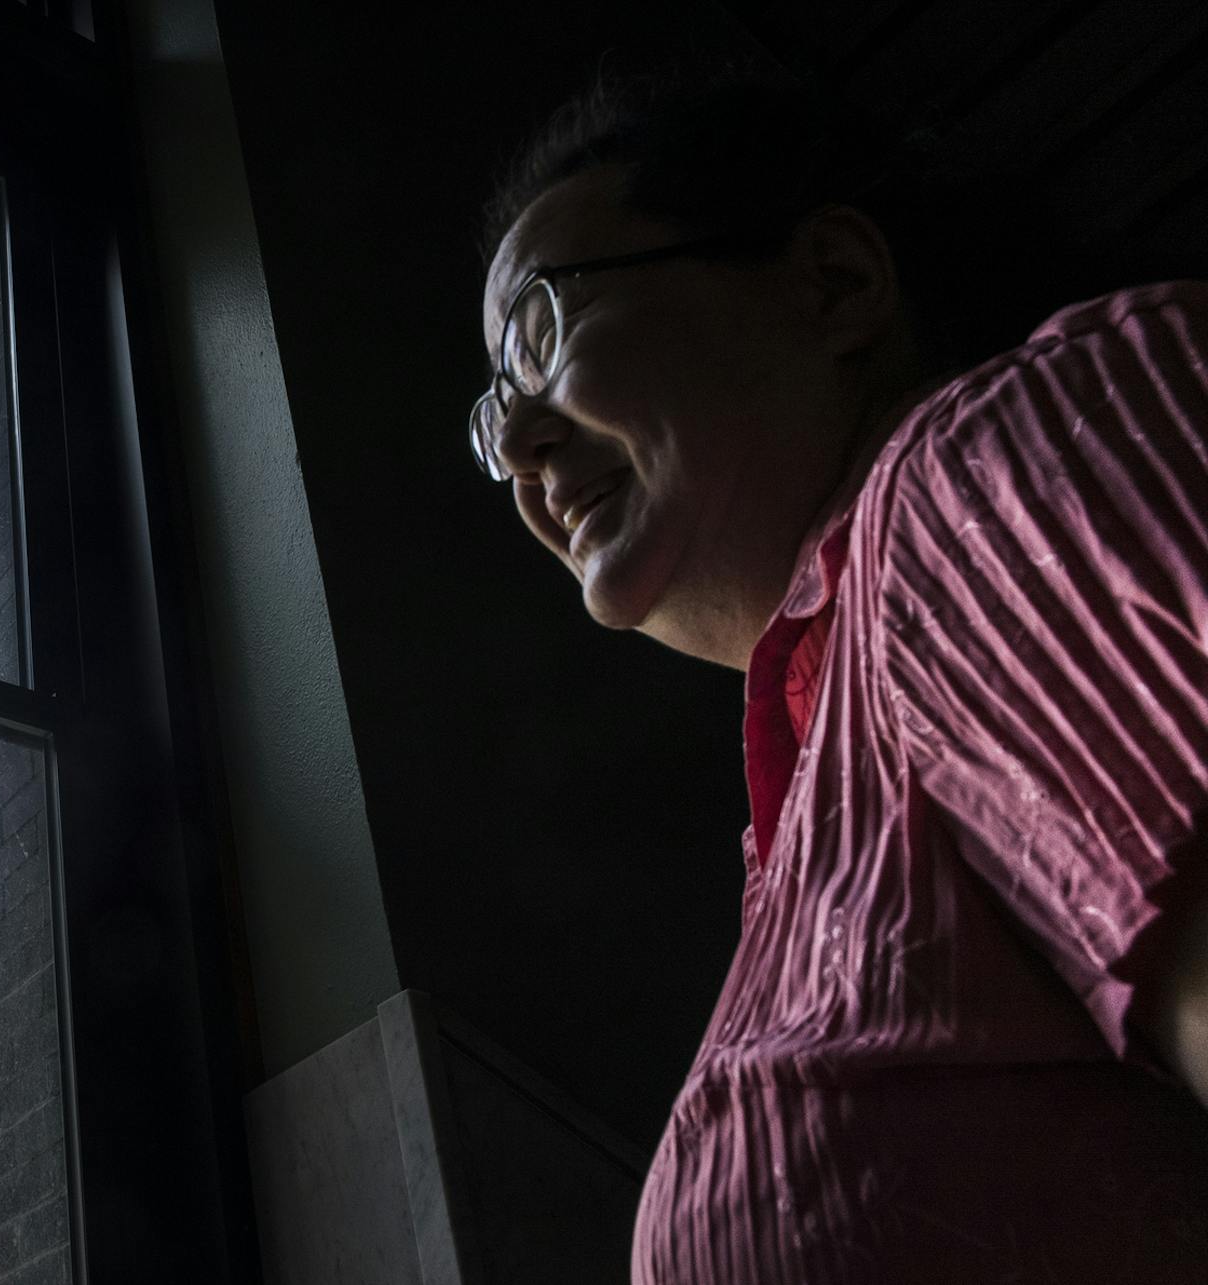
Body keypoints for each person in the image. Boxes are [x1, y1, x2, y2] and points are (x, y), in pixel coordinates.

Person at [473, 73, 1208, 1282]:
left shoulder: (969, 484)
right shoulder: (812, 802)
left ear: (835, 283)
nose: (514, 448)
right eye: (495, 404)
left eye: (544, 335)